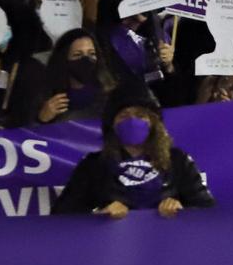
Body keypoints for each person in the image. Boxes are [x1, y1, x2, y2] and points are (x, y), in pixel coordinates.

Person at [52, 88, 215, 217]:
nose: (132, 121)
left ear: (153, 123)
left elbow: (207, 209)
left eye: (140, 115)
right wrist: (99, 214)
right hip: (111, 249)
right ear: (112, 125)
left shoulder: (178, 161)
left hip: (169, 246)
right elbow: (62, 214)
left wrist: (183, 210)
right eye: (124, 116)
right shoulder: (94, 165)